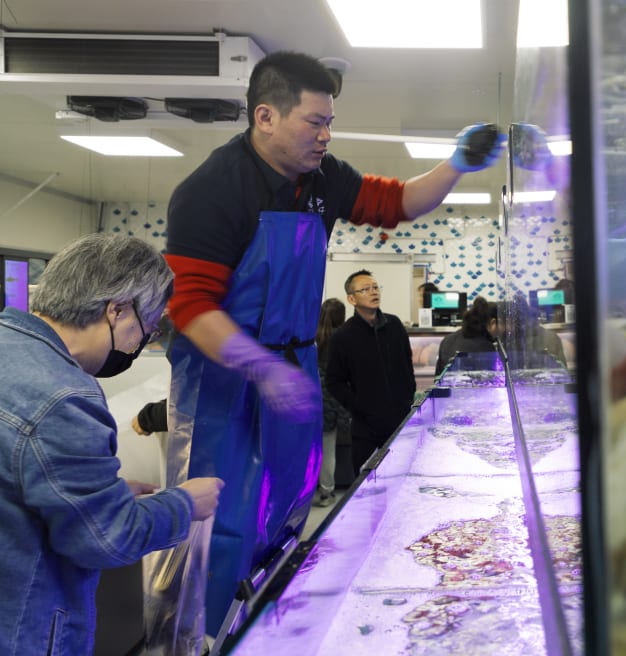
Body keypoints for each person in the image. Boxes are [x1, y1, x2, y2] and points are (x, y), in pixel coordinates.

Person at [156, 50, 505, 637]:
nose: (326, 135)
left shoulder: (324, 180)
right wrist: (260, 367)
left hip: (289, 363)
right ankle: (196, 642)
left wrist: (455, 166)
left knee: (286, 516)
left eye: (330, 123)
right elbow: (190, 305)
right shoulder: (211, 190)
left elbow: (395, 203)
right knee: (218, 528)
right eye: (314, 122)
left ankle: (267, 634)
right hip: (222, 379)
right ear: (265, 117)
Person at [0, 233, 223, 655]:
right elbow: (106, 538)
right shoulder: (65, 395)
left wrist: (103, 495)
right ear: (117, 309)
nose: (142, 342)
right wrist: (185, 504)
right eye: (148, 326)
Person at [326, 270, 416, 477]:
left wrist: (407, 396)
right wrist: (359, 406)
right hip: (366, 427)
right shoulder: (343, 336)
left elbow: (406, 363)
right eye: (365, 289)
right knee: (365, 483)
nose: (373, 292)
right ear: (351, 298)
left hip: (400, 420)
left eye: (375, 287)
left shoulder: (394, 326)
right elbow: (334, 381)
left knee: (402, 478)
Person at [315, 297, 349, 507]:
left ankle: (305, 492)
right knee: (329, 450)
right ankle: (327, 492)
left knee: (312, 450)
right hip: (335, 400)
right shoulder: (344, 339)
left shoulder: (312, 338)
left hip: (312, 399)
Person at [495, 294, 567, 367]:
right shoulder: (505, 340)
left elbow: (560, 370)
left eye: (507, 323)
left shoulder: (548, 338)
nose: (506, 328)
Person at [434, 294, 498, 375]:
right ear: (493, 323)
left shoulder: (447, 339)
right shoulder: (485, 348)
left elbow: (438, 377)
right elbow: (488, 380)